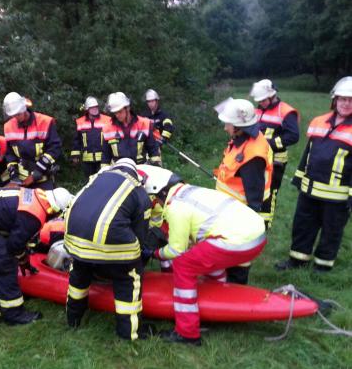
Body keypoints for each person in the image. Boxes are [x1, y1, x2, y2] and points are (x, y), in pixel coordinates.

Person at [142, 166, 266, 345]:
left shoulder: (175, 207)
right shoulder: (190, 191)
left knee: (183, 265)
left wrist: (155, 254)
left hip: (239, 241)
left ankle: (187, 333)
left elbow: (176, 251)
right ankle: (215, 301)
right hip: (257, 235)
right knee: (203, 256)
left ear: (158, 193)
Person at [64, 158, 154, 340]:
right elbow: (141, 233)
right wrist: (140, 258)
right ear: (135, 173)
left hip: (74, 239)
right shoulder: (137, 190)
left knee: (79, 276)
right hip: (110, 240)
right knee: (128, 277)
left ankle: (73, 319)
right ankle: (129, 332)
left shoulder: (95, 179)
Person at [0, 186, 73, 324]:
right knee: (3, 262)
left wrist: (22, 259)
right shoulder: (35, 215)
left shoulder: (38, 196)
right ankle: (13, 314)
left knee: (3, 258)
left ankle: (6, 292)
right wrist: (23, 260)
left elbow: (16, 230)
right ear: (55, 210)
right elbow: (14, 246)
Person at [276, 76, 352, 273]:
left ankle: (322, 267)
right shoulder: (319, 121)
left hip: (337, 196)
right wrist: (299, 178)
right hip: (309, 190)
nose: (346, 103)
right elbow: (308, 153)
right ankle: (297, 261)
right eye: (342, 99)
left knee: (331, 232)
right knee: (302, 226)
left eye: (351, 100)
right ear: (335, 100)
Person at [214, 98, 272, 284]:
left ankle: (236, 287)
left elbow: (254, 197)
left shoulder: (253, 155)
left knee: (238, 257)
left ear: (239, 126)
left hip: (240, 213)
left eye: (228, 124)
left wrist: (247, 224)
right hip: (229, 209)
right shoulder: (242, 139)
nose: (225, 128)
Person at [250, 80, 300, 228]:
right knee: (254, 189)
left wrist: (268, 144)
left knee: (269, 194)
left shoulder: (285, 111)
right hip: (256, 157)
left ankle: (264, 226)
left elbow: (293, 136)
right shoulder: (257, 110)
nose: (261, 103)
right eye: (259, 100)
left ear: (273, 96)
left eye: (263, 100)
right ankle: (251, 221)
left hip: (276, 160)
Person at [3, 92, 62, 190]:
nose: (15, 117)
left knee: (46, 204)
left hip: (43, 177)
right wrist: (13, 173)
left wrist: (37, 173)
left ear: (23, 108)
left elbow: (54, 149)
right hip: (22, 181)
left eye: (18, 114)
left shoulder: (45, 122)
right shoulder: (8, 126)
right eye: (13, 115)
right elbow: (9, 154)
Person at [101, 92, 161, 167]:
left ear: (128, 108)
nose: (117, 115)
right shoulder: (108, 128)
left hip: (140, 169)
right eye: (115, 112)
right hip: (118, 171)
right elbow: (105, 156)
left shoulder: (144, 124)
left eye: (120, 111)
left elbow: (153, 151)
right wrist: (104, 173)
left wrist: (156, 168)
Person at [70, 96, 110, 177]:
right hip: (87, 160)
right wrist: (75, 156)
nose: (95, 109)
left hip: (103, 159)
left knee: (103, 181)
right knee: (89, 183)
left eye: (96, 107)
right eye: (92, 108)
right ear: (87, 109)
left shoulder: (107, 120)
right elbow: (76, 140)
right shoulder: (80, 122)